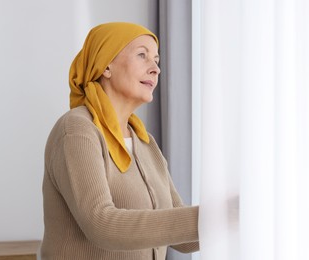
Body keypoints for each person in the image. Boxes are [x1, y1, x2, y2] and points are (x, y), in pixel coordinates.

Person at [41, 22, 199, 259]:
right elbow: (101, 223)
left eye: (157, 60)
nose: (155, 68)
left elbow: (182, 238)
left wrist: (236, 209)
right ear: (106, 66)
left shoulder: (145, 143)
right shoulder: (77, 130)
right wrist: (210, 217)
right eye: (142, 55)